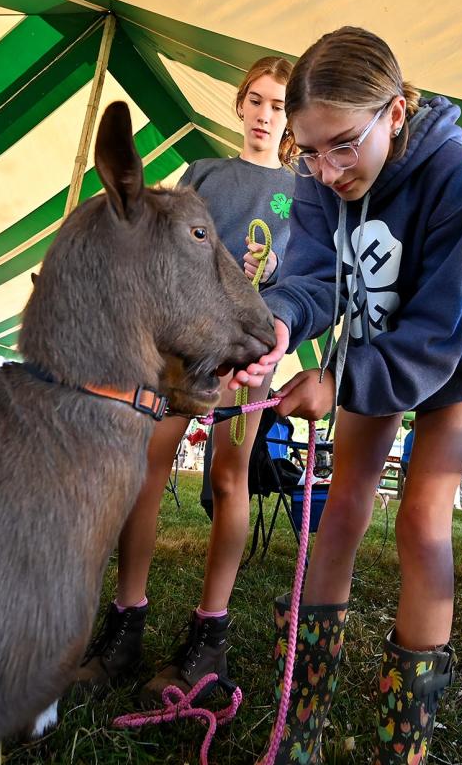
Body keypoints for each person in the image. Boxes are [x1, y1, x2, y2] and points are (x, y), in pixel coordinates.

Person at [230, 26, 462, 764]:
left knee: (422, 522)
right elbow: (315, 276)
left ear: (394, 113)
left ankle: (403, 743)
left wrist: (340, 380)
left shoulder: (453, 170)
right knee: (344, 505)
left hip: (454, 355)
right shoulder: (322, 177)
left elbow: (437, 325)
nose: (325, 170)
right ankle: (305, 721)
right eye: (308, 150)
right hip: (373, 348)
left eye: (343, 145)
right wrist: (282, 320)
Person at [79, 56, 297, 705]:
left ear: (290, 117)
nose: (264, 115)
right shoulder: (203, 173)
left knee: (230, 479)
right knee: (147, 464)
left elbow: (302, 281)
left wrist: (275, 267)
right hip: (179, 349)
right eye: (255, 100)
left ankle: (210, 636)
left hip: (248, 353)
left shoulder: (299, 193)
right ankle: (126, 622)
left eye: (278, 106)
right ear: (238, 104)